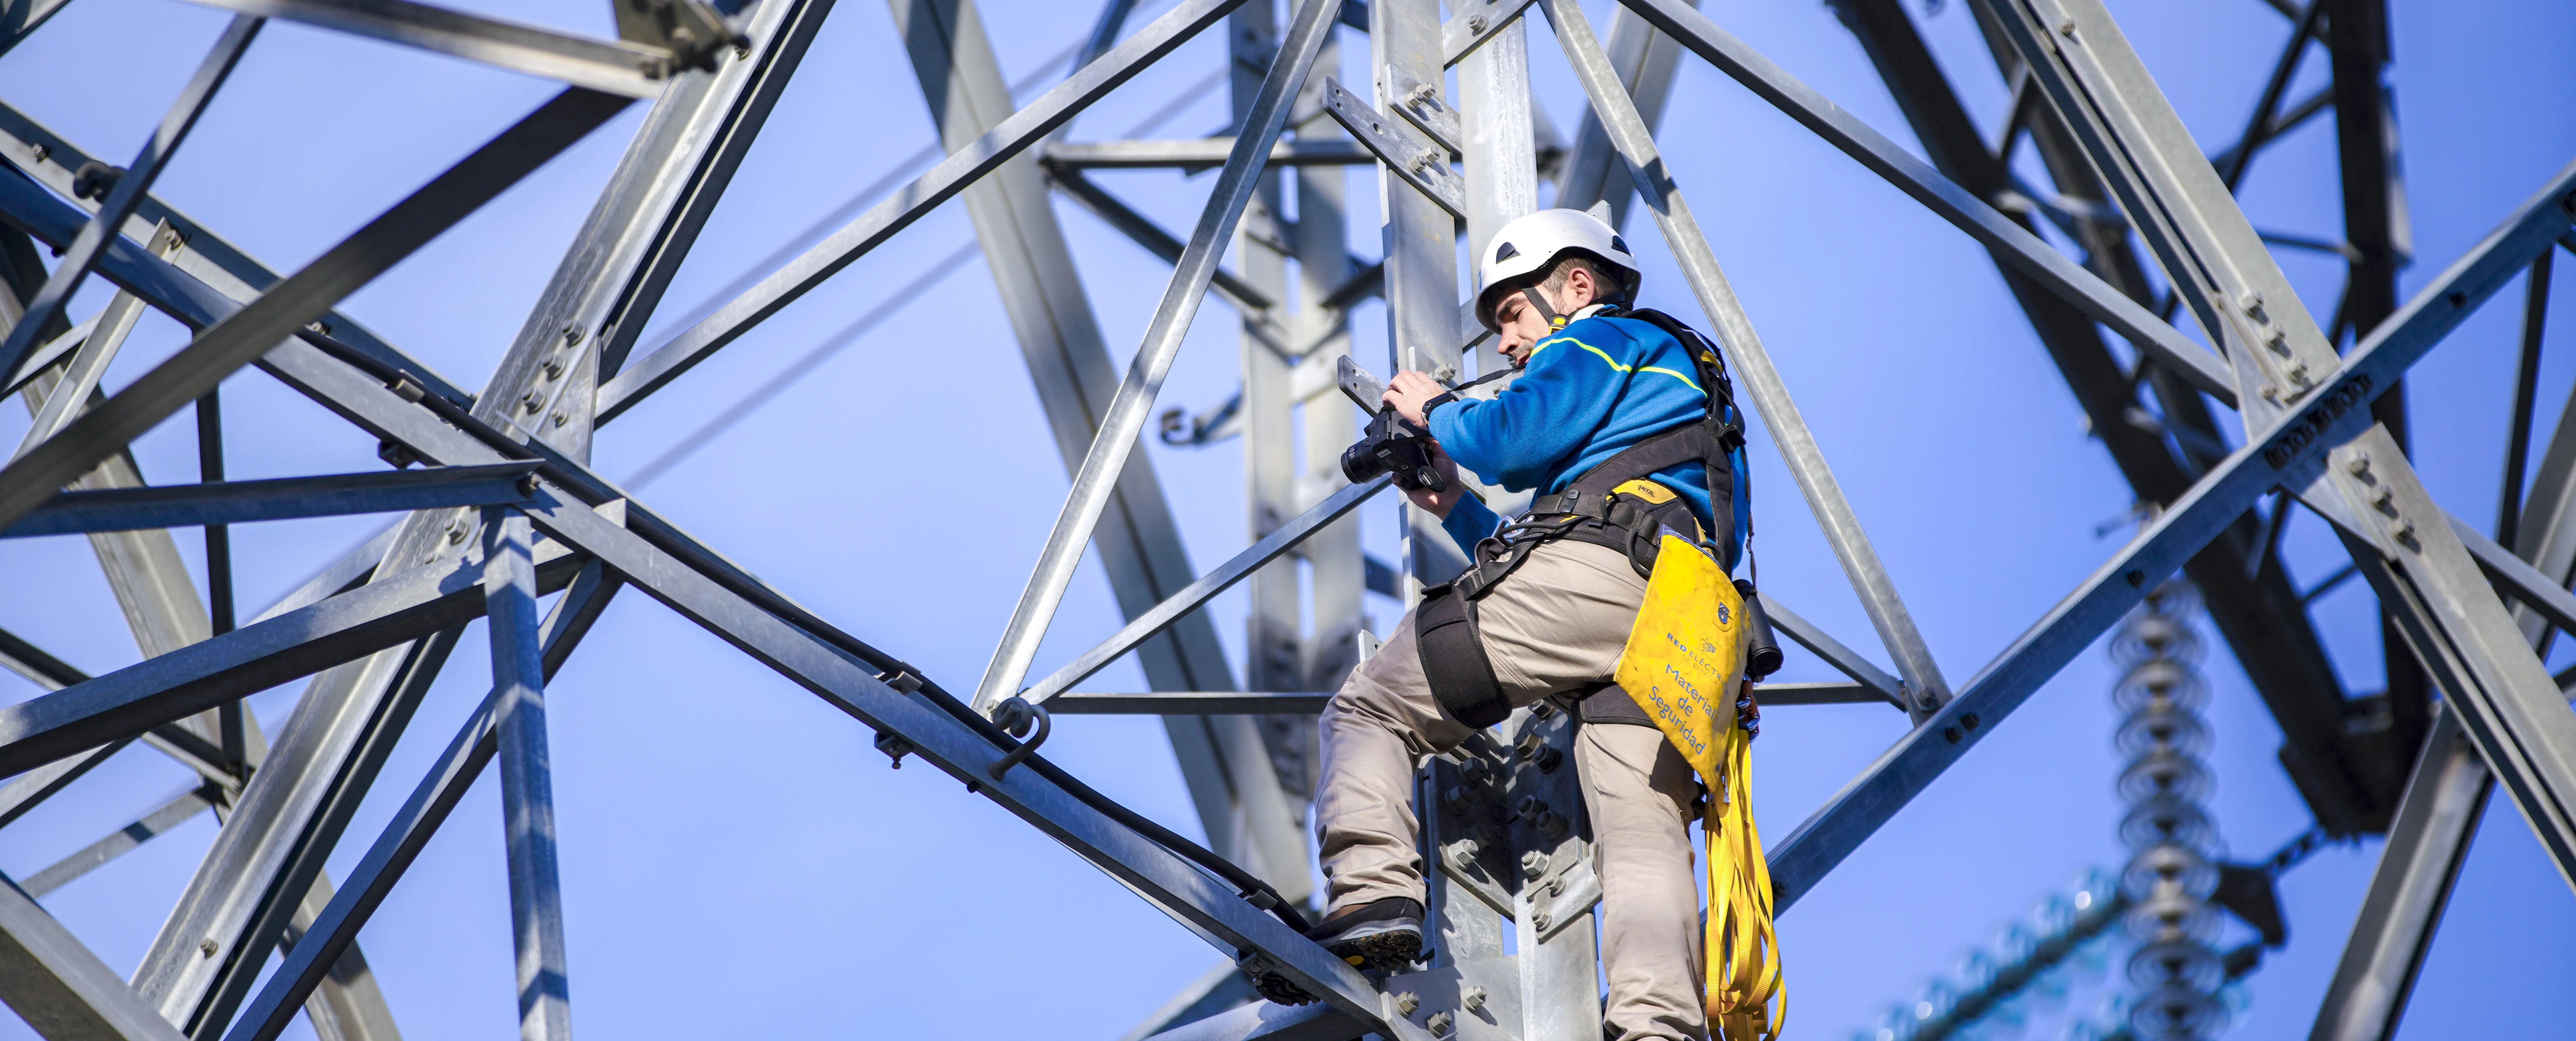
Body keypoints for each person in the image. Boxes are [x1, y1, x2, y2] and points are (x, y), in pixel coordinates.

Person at [1251, 207, 1751, 1041]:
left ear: (1577, 285)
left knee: (1370, 709)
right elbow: (1564, 535)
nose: (1509, 344)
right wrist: (1454, 504)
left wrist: (1433, 410)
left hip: (1605, 581)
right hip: (1681, 621)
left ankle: (1372, 898)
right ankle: (1658, 1026)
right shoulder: (1675, 391)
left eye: (1514, 314)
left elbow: (1514, 442)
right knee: (1643, 835)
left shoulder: (1602, 337)